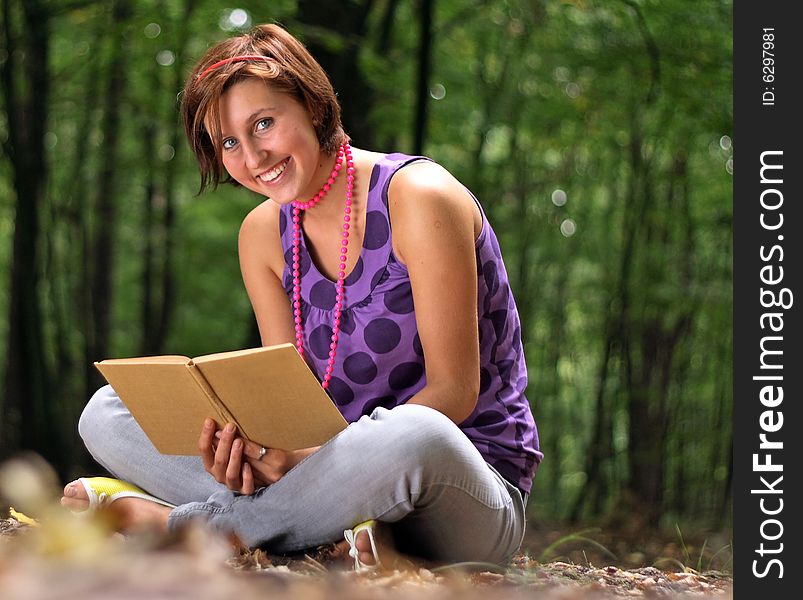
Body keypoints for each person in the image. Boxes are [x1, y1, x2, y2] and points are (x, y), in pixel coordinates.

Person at [61, 23, 542, 569]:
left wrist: (310, 461)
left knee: (415, 432)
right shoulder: (263, 236)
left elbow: (455, 393)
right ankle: (323, 533)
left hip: (460, 485)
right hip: (320, 481)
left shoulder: (419, 196)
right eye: (229, 143)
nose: (253, 155)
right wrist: (251, 453)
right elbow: (286, 406)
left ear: (312, 106)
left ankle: (188, 526)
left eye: (264, 123)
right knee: (106, 410)